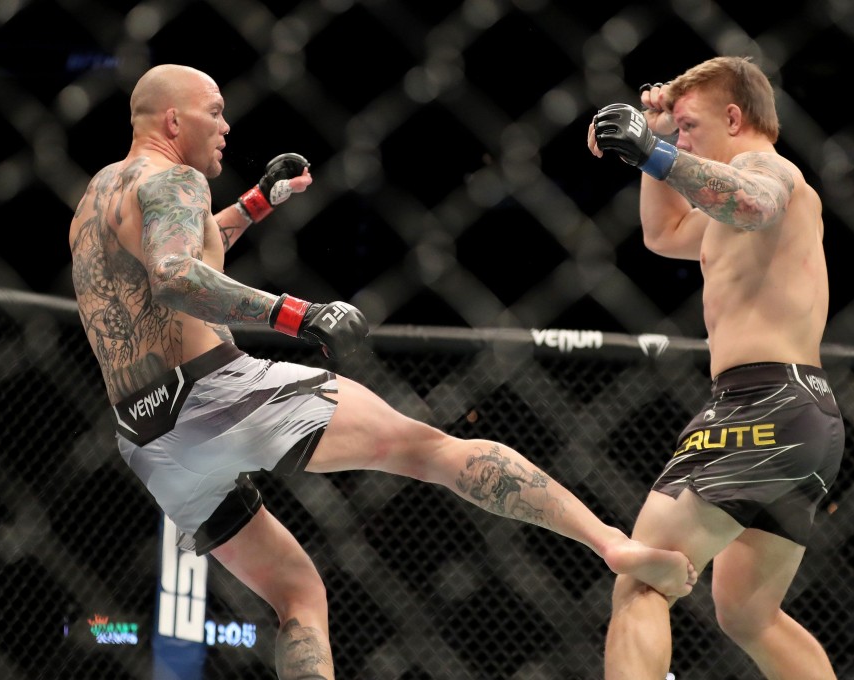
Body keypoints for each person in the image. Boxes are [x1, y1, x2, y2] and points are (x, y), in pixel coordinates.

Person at [67, 63, 698, 679]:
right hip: (218, 395)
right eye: (214, 111)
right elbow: (178, 278)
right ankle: (613, 544)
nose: (226, 125)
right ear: (173, 120)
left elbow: (175, 257)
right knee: (431, 450)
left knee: (298, 596)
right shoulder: (176, 180)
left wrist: (257, 204)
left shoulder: (99, 197)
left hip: (150, 442)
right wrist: (298, 314)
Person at [587, 55, 845, 679]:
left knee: (642, 574)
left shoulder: (767, 168)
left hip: (759, 403)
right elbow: (661, 231)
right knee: (747, 613)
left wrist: (652, 150)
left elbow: (753, 203)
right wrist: (649, 144)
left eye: (689, 126)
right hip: (805, 415)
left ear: (734, 117)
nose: (682, 140)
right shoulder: (721, 211)